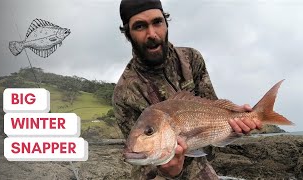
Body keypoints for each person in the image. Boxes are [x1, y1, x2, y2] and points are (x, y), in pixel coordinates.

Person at [112, 0, 262, 179]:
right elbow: (140, 160)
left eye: (157, 22)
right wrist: (168, 173)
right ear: (128, 34)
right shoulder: (124, 93)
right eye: (140, 26)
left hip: (201, 167)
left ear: (166, 24)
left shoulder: (191, 59)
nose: (152, 34)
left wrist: (237, 123)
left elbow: (214, 112)